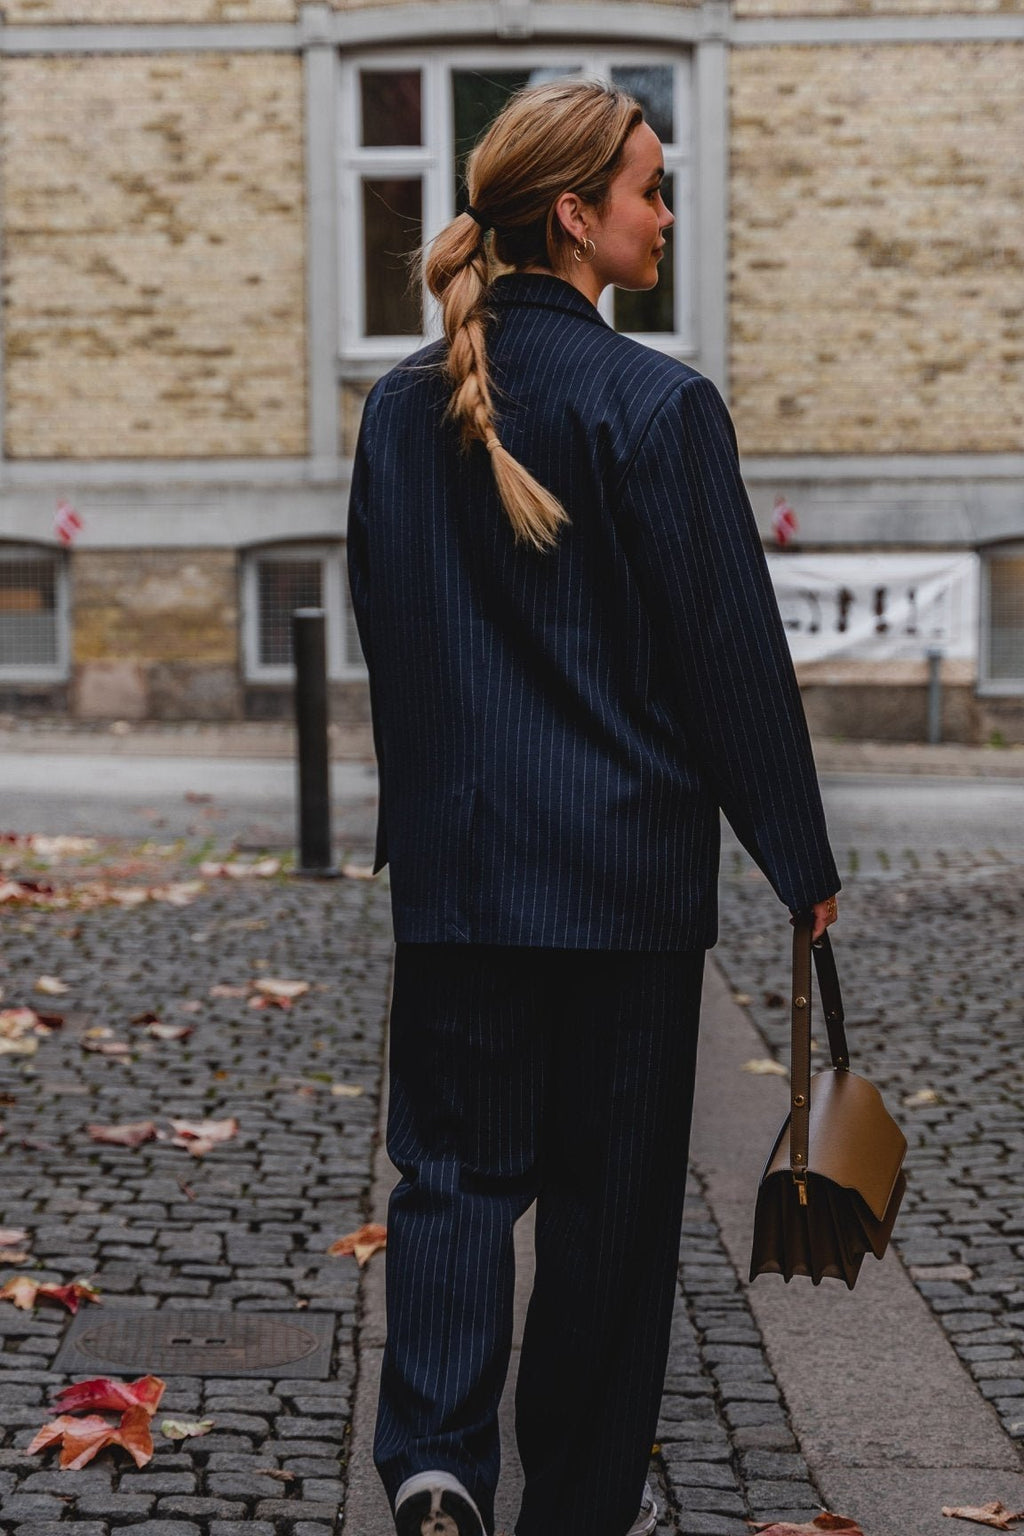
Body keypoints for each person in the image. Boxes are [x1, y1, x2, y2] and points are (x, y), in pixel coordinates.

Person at [347, 77, 840, 1536]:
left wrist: (430, 817)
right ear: (575, 214)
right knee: (608, 1221)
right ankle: (573, 1504)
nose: (666, 215)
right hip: (623, 887)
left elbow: (393, 636)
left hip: (461, 873)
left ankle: (434, 1462)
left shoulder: (401, 405)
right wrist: (798, 858)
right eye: (649, 188)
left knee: (449, 1176)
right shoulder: (657, 405)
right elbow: (729, 659)